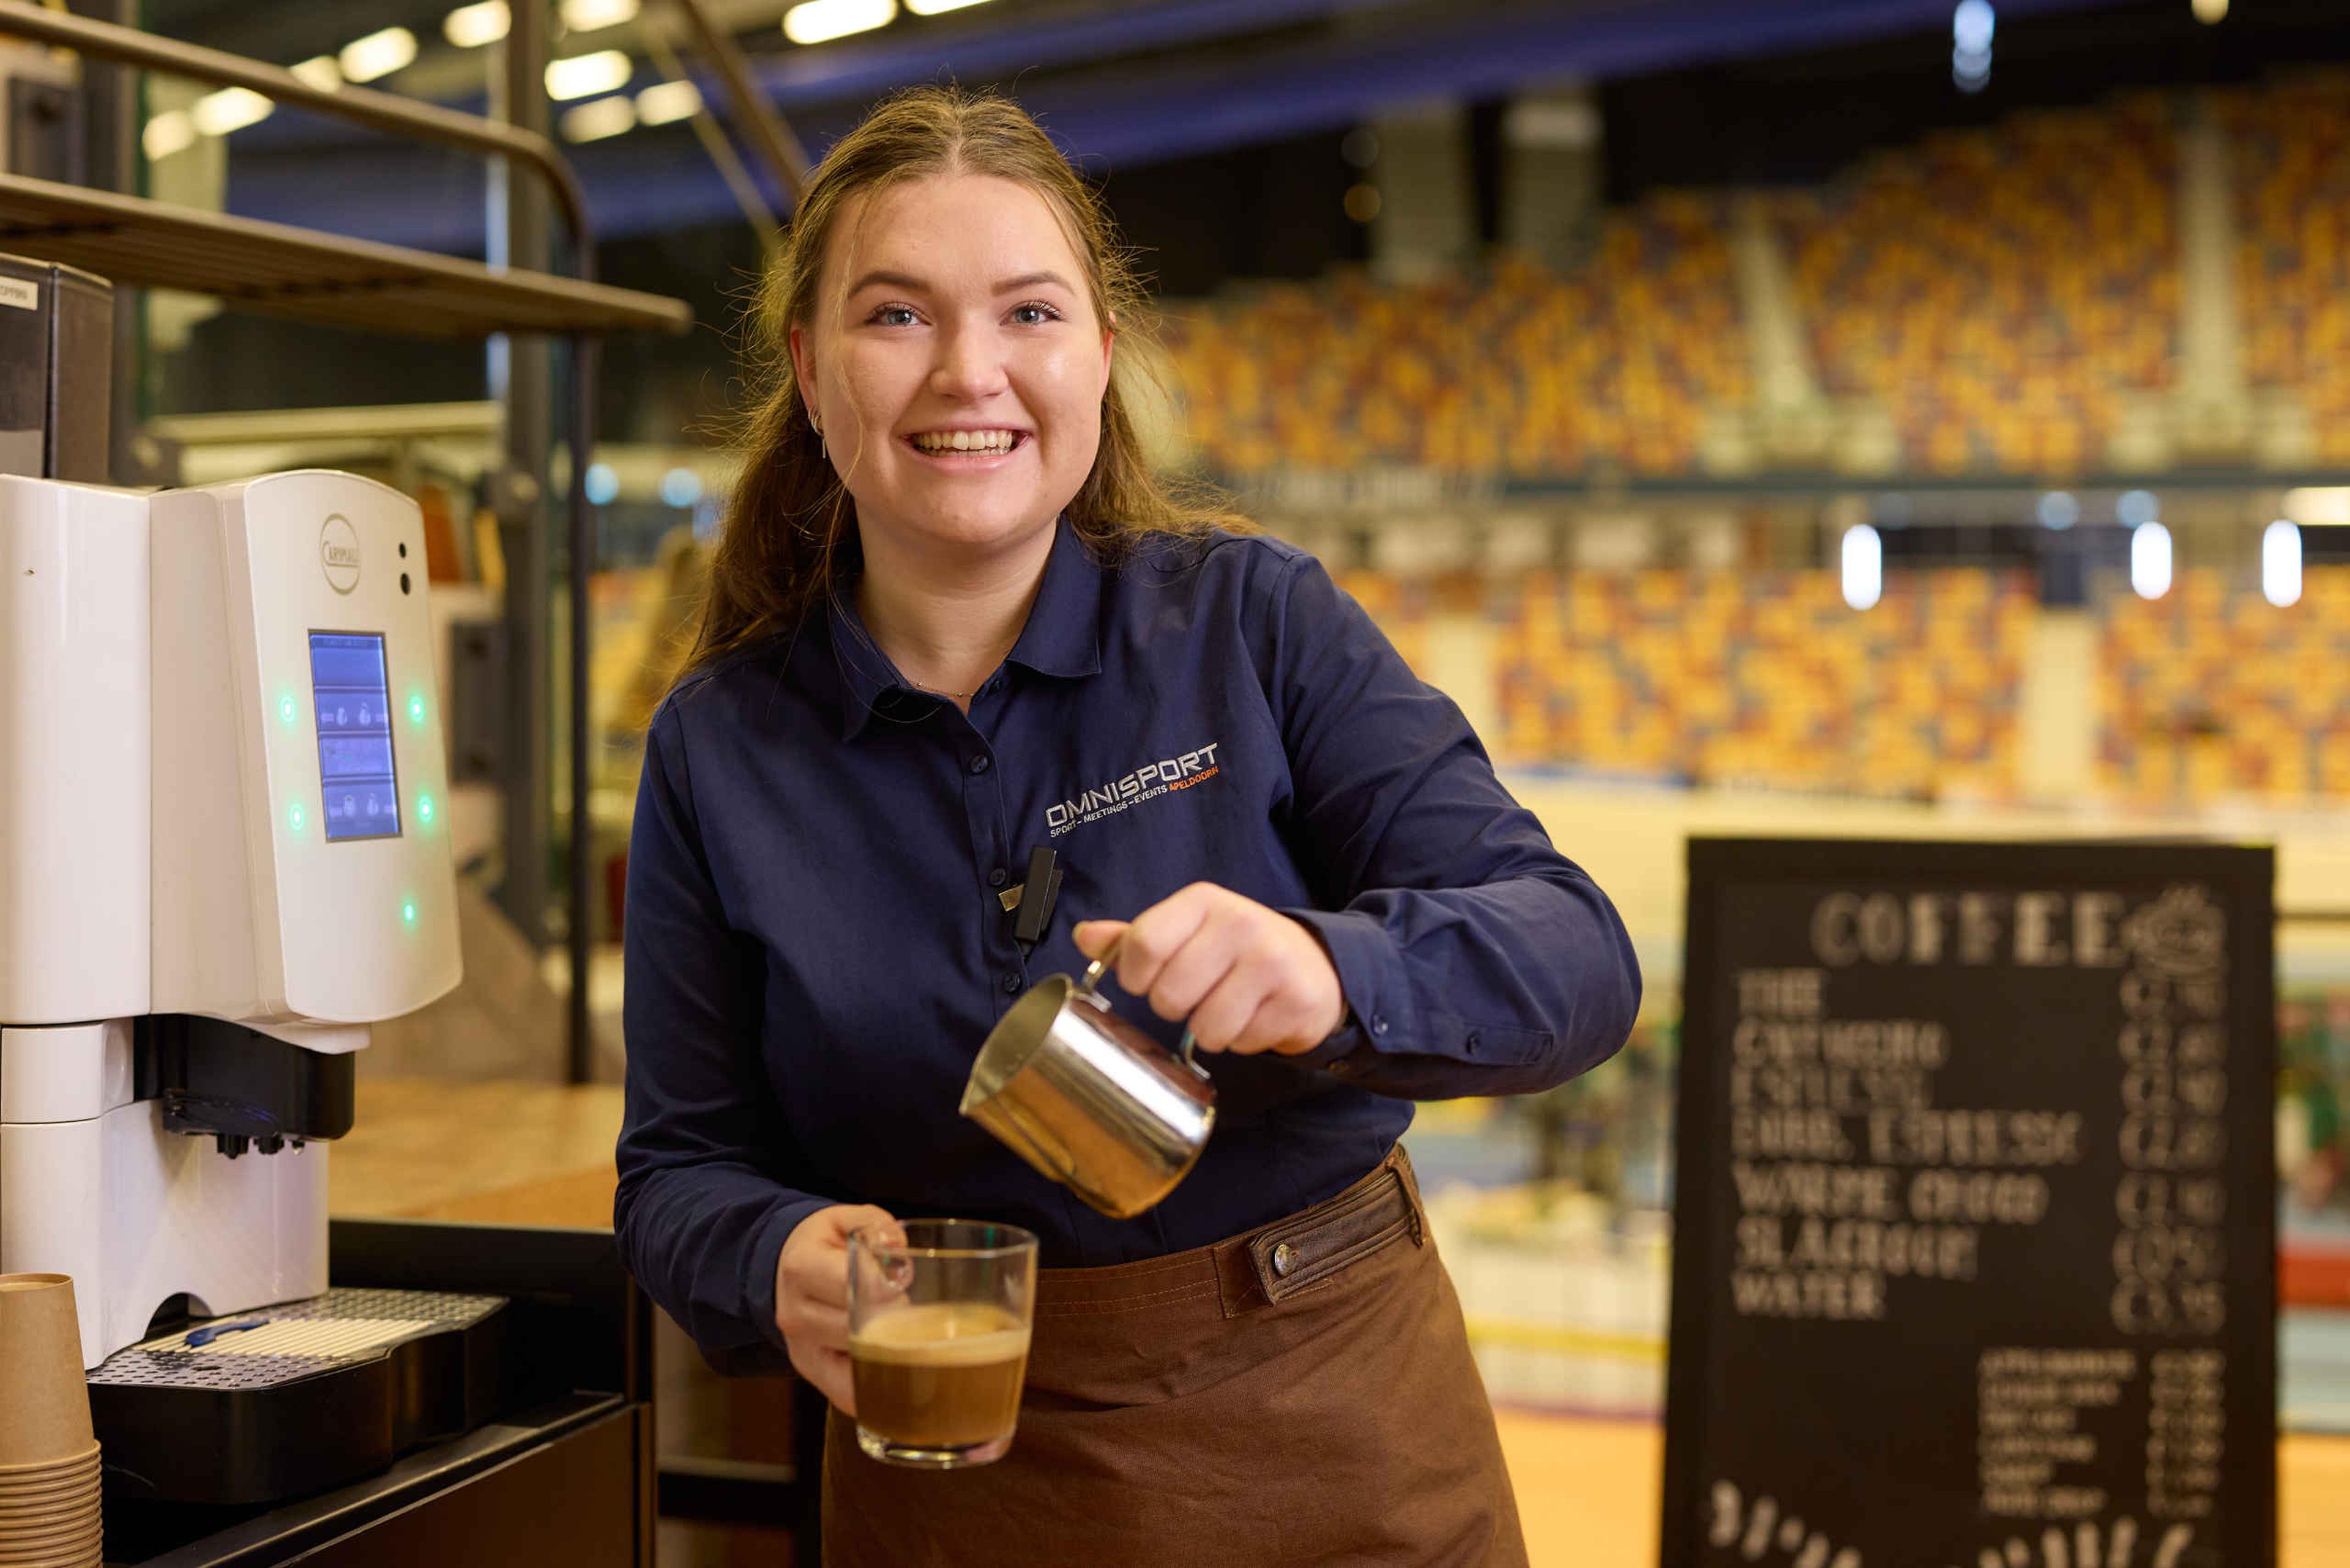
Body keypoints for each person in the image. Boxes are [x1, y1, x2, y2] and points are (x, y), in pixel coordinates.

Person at [614, 84, 1642, 1568]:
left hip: (1338, 1439)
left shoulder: (1255, 624)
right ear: (811, 371)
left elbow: (1578, 958)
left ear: (1100, 354)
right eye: (896, 316)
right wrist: (769, 1257)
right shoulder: (719, 749)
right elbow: (676, 1176)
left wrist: (1332, 973)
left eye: (1029, 313)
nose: (969, 373)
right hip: (953, 1479)